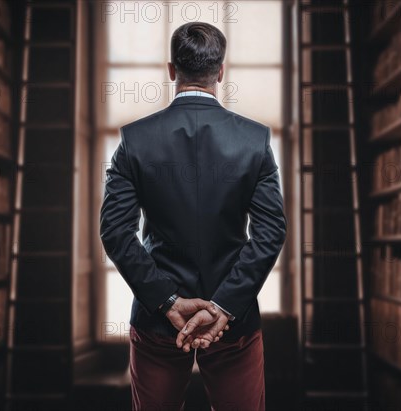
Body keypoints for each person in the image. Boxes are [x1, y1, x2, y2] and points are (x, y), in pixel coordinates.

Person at [100, 21, 287, 411]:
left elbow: (116, 232)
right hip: (233, 320)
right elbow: (270, 234)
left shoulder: (134, 140)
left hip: (158, 320)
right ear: (221, 71)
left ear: (172, 70)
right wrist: (221, 306)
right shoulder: (254, 141)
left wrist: (168, 302)